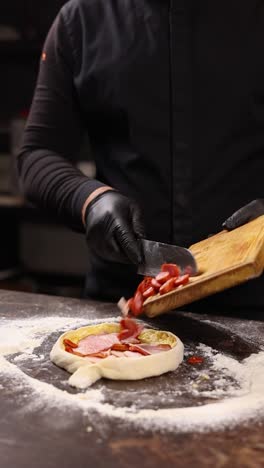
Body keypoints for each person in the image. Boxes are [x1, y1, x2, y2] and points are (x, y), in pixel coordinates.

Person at [18, 0, 264, 307]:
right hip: (123, 305)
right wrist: (89, 201)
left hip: (254, 304)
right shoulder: (81, 18)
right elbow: (38, 154)